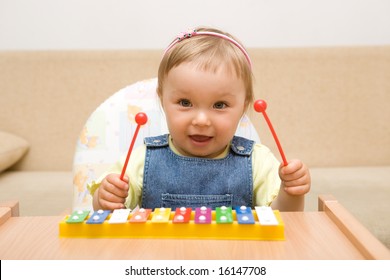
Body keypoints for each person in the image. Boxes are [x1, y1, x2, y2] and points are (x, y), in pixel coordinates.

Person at [88, 27, 311, 212]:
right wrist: (105, 198)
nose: (202, 120)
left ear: (243, 108)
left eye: (219, 105)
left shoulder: (257, 162)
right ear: (162, 101)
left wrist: (291, 192)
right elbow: (106, 214)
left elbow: (285, 219)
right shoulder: (142, 160)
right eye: (185, 103)